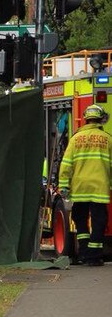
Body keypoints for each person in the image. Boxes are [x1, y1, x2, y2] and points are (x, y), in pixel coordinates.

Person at [59, 104, 112, 266]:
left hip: (80, 187)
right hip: (99, 187)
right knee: (99, 221)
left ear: (86, 119)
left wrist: (64, 186)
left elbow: (66, 164)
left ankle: (83, 252)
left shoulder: (75, 139)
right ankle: (94, 257)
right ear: (100, 119)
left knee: (80, 218)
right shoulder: (108, 139)